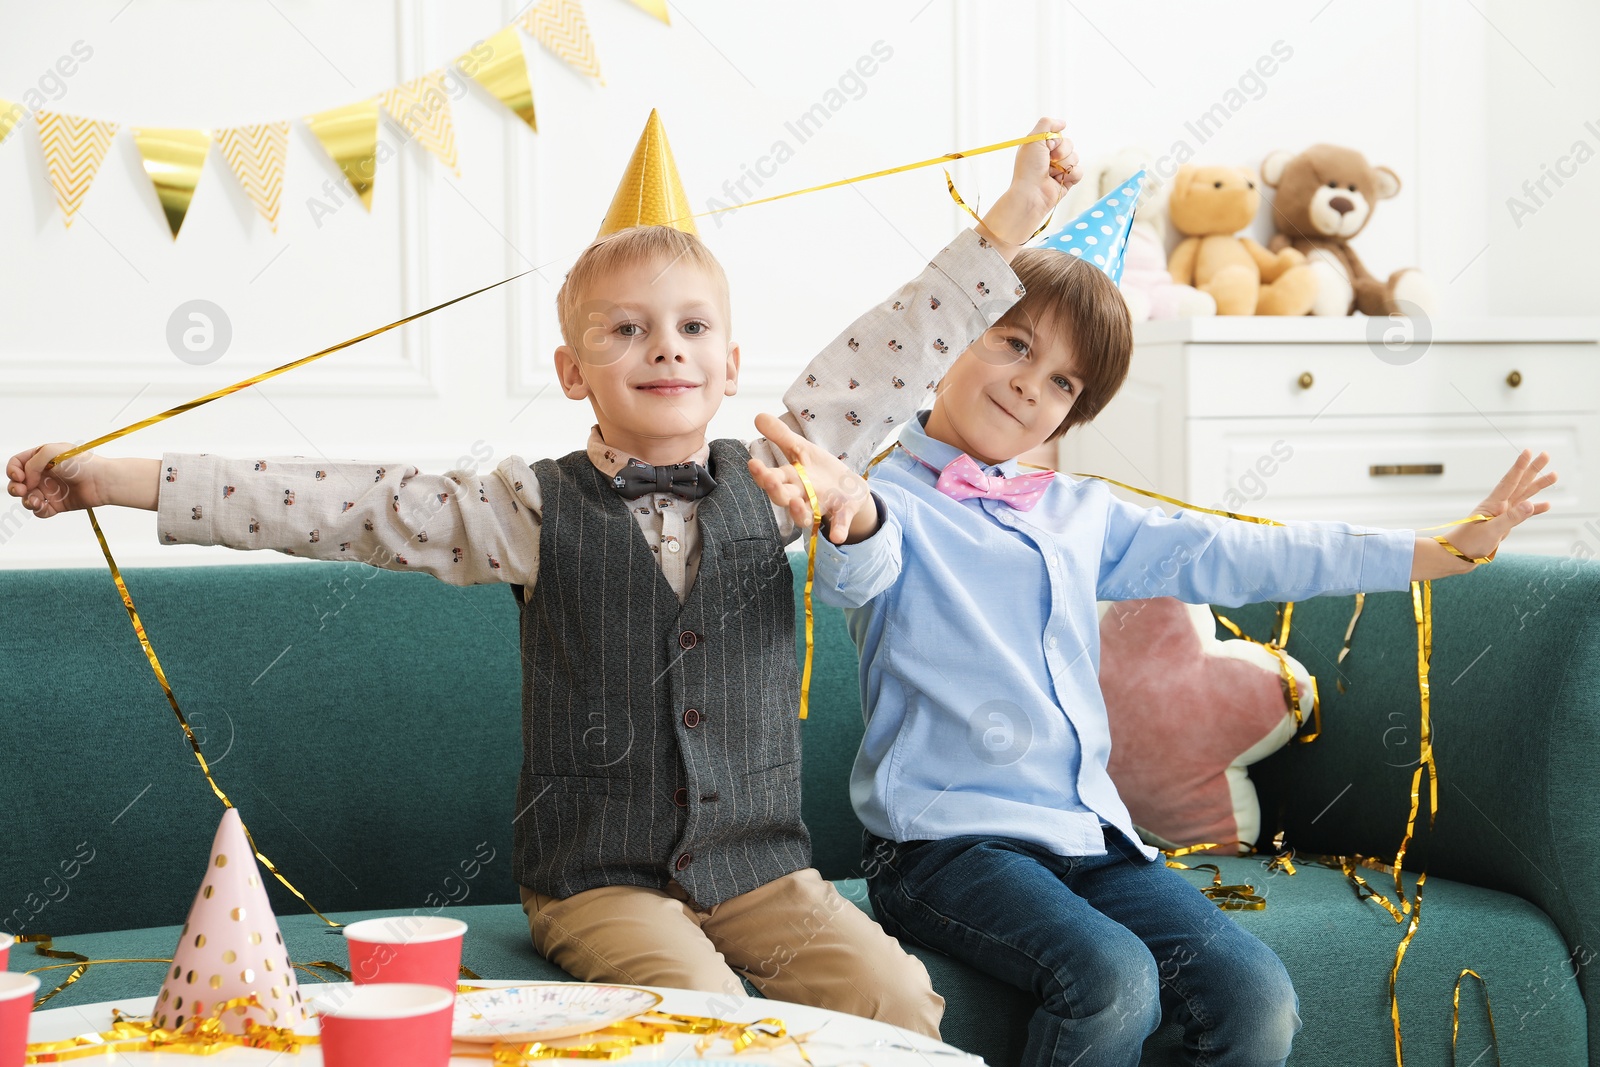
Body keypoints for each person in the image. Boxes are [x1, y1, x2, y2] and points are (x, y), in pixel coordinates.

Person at [7, 117, 1084, 1037]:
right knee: (697, 1001)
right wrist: (119, 477)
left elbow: (893, 348)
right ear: (575, 370)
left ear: (729, 362)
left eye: (691, 326)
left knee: (895, 994)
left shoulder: (779, 469)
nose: (665, 347)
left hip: (763, 871)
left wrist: (1011, 217)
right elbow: (339, 501)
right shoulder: (525, 508)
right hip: (597, 881)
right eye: (627, 330)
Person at [746, 242, 1556, 1065]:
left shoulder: (1078, 512)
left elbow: (1248, 552)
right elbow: (856, 571)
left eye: (1063, 380)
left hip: (1093, 838)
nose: (1031, 383)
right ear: (952, 336)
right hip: (944, 848)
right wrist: (852, 513)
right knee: (1114, 979)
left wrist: (1438, 550)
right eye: (1015, 343)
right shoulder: (884, 495)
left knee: (1255, 995)